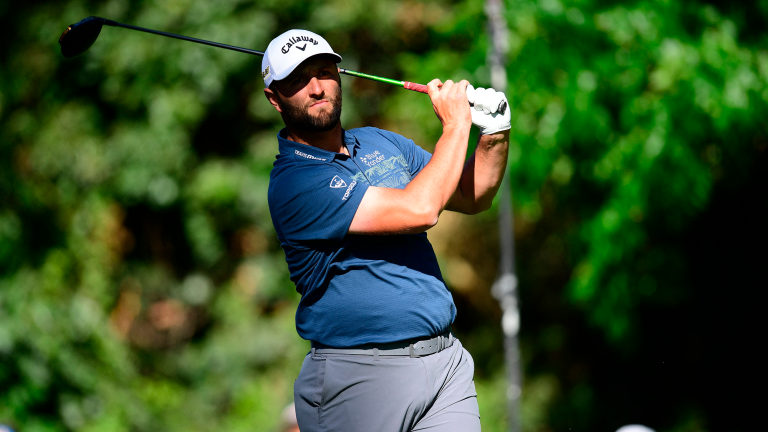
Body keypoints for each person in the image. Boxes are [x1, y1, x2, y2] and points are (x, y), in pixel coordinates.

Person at [262, 29, 510, 432]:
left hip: (444, 365)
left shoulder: (379, 141)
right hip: (358, 378)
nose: (316, 88)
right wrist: (455, 126)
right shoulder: (294, 181)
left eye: (324, 72)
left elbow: (471, 194)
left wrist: (494, 133)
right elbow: (421, 209)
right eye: (297, 80)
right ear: (275, 98)